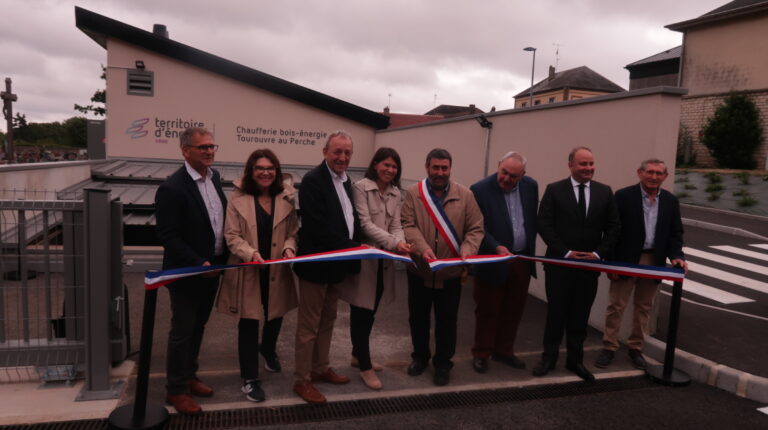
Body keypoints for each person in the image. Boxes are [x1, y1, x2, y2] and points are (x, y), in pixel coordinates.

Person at [154, 127, 228, 415]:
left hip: (213, 269)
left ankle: (190, 375)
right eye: (203, 147)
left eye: (212, 146)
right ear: (186, 151)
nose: (209, 151)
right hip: (188, 272)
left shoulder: (215, 178)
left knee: (199, 326)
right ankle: (176, 390)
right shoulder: (172, 188)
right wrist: (198, 262)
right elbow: (167, 235)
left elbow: (216, 220)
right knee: (182, 331)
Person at [216, 149, 299, 402]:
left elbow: (293, 232)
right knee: (249, 322)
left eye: (270, 168)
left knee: (275, 314)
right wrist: (250, 253)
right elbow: (231, 236)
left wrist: (289, 247)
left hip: (277, 269)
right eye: (260, 168)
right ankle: (250, 379)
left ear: (276, 171)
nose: (265, 172)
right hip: (249, 269)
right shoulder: (237, 199)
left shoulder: (287, 198)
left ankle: (269, 350)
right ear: (251, 172)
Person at [534, 146, 620, 382]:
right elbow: (544, 225)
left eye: (591, 164)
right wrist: (566, 252)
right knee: (556, 315)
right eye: (583, 164)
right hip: (559, 267)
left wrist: (598, 253)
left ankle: (575, 361)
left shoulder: (604, 192)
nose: (588, 168)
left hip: (588, 269)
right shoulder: (554, 190)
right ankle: (548, 358)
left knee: (579, 317)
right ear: (570, 165)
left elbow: (614, 227)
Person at [401, 148, 484, 386]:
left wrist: (468, 250)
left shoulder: (465, 195)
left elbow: (476, 228)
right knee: (418, 319)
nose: (440, 172)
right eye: (435, 167)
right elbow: (407, 223)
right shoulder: (413, 193)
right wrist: (421, 247)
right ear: (427, 167)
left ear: (450, 169)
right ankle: (419, 357)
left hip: (450, 273)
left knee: (448, 321)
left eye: (444, 168)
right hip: (420, 269)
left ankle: (443, 364)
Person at [595, 158, 687, 370]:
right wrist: (611, 263)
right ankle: (609, 346)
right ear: (640, 173)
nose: (654, 177)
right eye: (650, 172)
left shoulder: (671, 201)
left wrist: (676, 255)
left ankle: (635, 347)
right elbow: (612, 230)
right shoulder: (623, 196)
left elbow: (676, 232)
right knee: (616, 305)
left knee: (644, 307)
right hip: (626, 259)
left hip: (653, 260)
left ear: (665, 176)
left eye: (658, 173)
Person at [292, 131, 361, 404]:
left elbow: (348, 219)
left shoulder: (346, 182)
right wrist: (353, 247)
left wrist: (352, 248)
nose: (342, 158)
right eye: (337, 152)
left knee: (328, 321)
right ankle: (302, 379)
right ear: (325, 152)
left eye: (347, 153)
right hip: (315, 266)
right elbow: (318, 228)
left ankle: (320, 369)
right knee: (308, 327)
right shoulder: (312, 181)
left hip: (336, 267)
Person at [338, 147, 411, 390]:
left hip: (384, 263)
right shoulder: (361, 187)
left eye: (394, 166)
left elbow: (397, 224)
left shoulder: (395, 193)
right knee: (361, 313)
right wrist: (394, 242)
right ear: (376, 164)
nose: (390, 170)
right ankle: (365, 366)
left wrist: (400, 241)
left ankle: (358, 355)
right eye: (386, 165)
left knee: (370, 313)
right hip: (364, 261)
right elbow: (365, 224)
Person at [469, 151, 538, 373]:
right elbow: (478, 227)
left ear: (523, 175)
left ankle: (504, 351)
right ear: (499, 165)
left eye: (513, 176)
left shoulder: (531, 186)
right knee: (488, 309)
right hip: (493, 259)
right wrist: (496, 246)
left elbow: (530, 219)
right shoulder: (479, 189)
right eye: (504, 172)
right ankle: (481, 352)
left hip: (520, 259)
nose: (507, 179)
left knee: (514, 308)